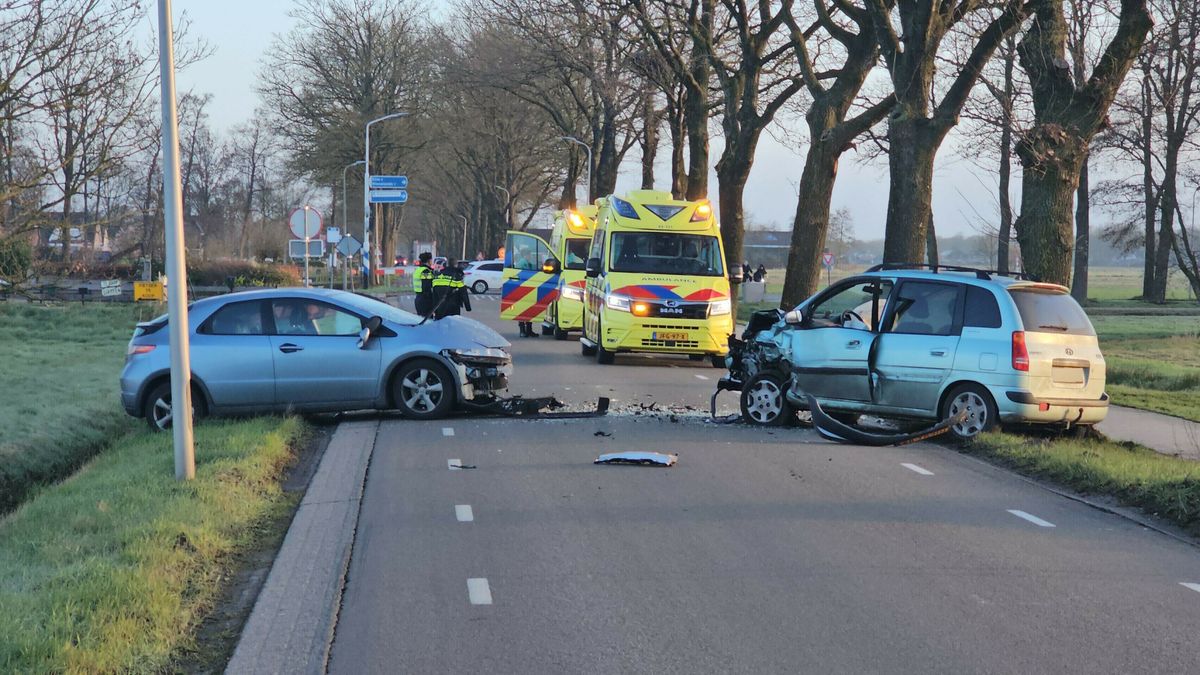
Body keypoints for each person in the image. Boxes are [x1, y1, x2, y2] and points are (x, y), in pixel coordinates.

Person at [515, 246, 539, 337]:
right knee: (522, 310)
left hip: (529, 288)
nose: (531, 256)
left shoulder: (528, 263)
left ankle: (529, 330)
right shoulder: (522, 263)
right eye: (530, 255)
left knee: (530, 310)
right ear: (526, 255)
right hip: (522, 288)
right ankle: (522, 330)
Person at [412, 252, 436, 317]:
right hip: (425, 300)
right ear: (429, 260)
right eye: (431, 260)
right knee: (427, 321)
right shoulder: (425, 271)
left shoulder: (418, 269)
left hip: (418, 298)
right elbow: (426, 286)